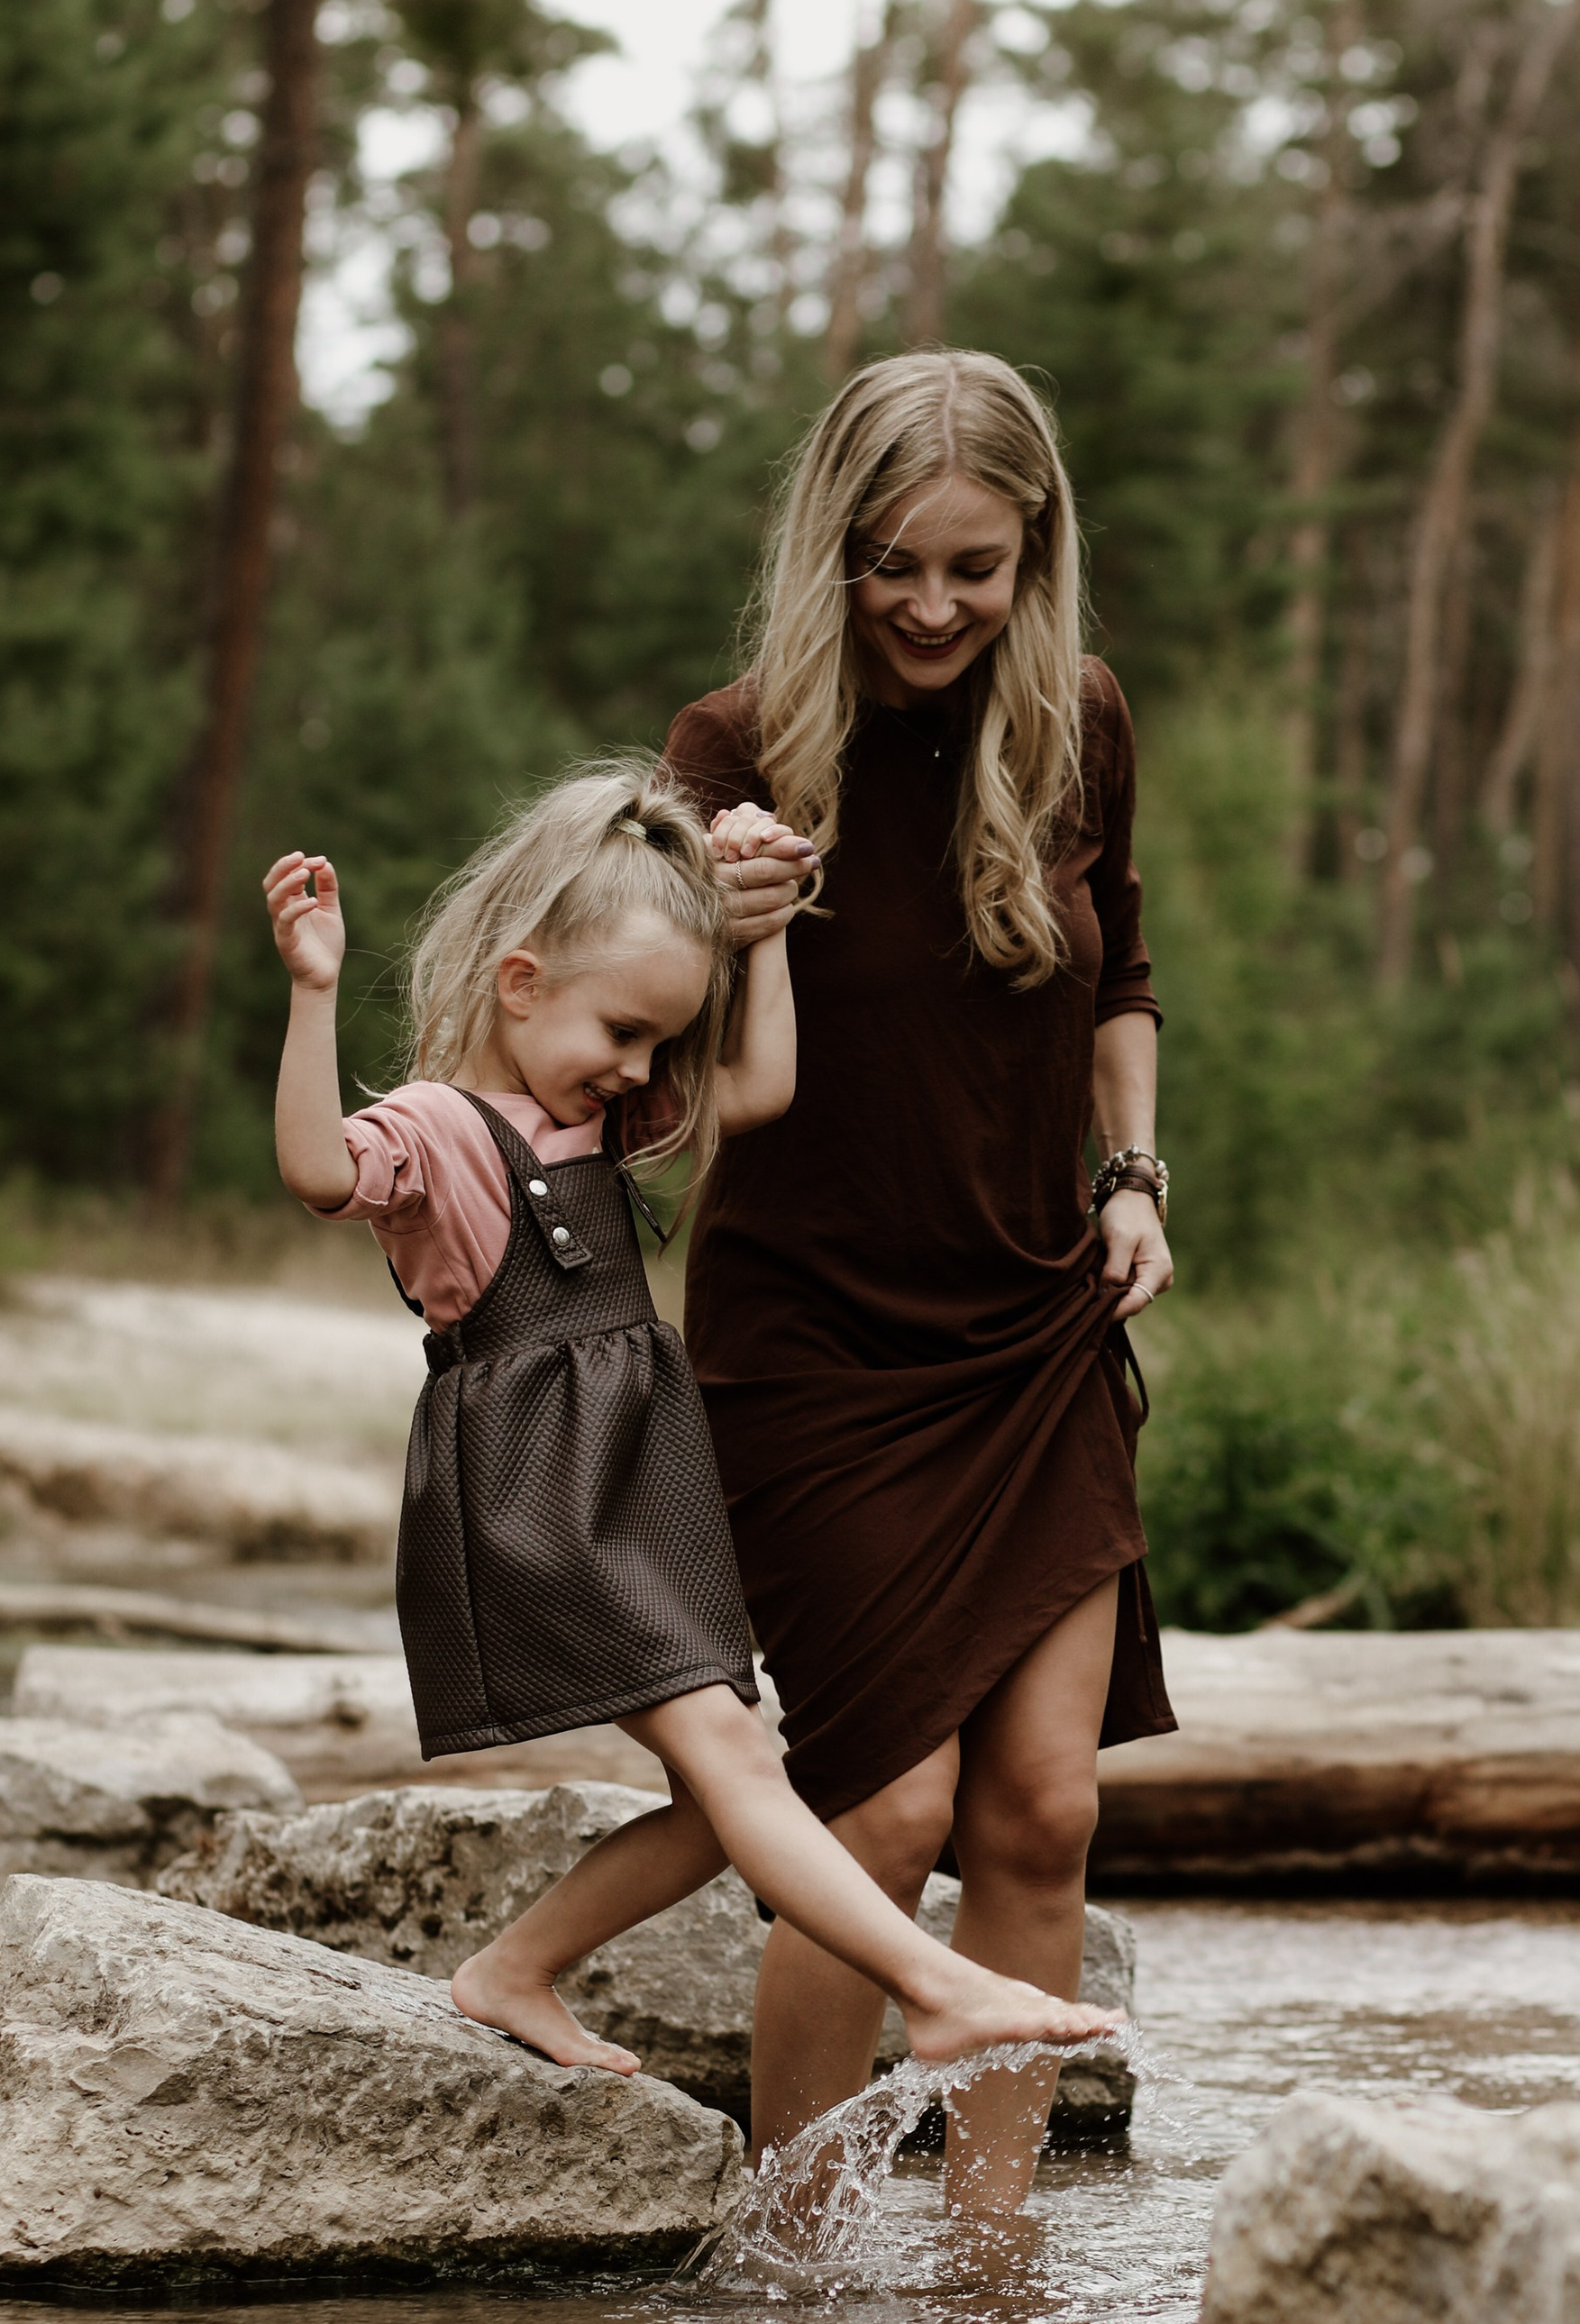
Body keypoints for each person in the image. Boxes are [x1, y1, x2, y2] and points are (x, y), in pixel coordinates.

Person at [260, 762, 1123, 2088]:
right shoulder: (438, 1127)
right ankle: (932, 1986)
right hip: (542, 1493)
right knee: (735, 1765)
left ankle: (512, 1970)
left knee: (724, 1803)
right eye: (622, 1032)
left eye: (661, 1042)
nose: (640, 1069)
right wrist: (315, 988)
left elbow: (763, 1087)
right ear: (521, 982)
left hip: (636, 1485)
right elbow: (321, 1171)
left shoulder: (587, 1109)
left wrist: (761, 937)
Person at [664, 350, 1176, 2222]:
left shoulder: (1079, 721)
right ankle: (787, 2257)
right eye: (899, 567)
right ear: (834, 551)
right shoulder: (731, 753)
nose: (940, 608)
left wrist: (1130, 1179)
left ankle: (989, 2284)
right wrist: (718, 928)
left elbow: (1117, 971)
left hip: (1030, 1312)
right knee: (877, 1813)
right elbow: (680, 1078)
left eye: (980, 567)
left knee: (1044, 1808)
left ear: (1035, 554)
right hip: (808, 1339)